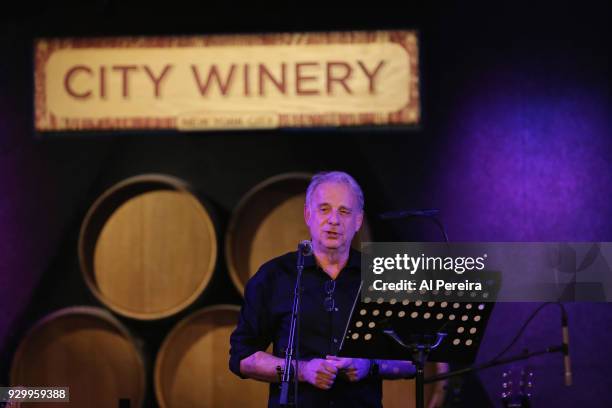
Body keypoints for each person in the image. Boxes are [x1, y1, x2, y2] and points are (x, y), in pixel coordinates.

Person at [229, 171, 416, 408]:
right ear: (308, 214)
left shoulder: (381, 274)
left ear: (358, 221)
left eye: (344, 211)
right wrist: (302, 370)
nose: (334, 220)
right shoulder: (275, 276)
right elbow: (243, 357)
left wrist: (369, 366)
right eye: (324, 209)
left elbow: (412, 360)